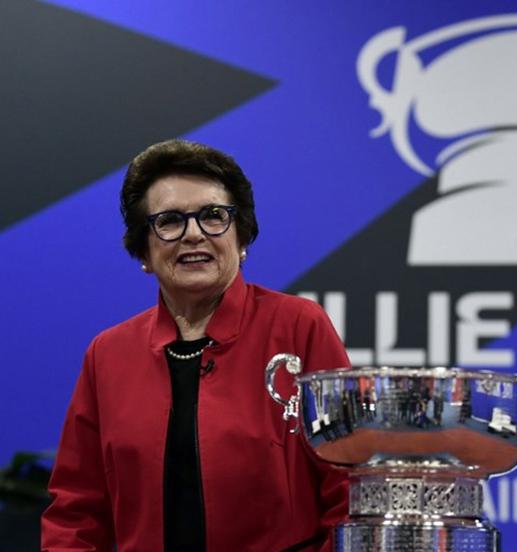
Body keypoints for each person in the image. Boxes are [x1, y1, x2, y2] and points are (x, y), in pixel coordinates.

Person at [41, 139, 350, 551]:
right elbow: (76, 511)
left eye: (213, 216)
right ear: (144, 250)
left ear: (241, 240)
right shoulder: (108, 354)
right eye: (169, 221)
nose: (193, 234)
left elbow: (347, 486)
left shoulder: (298, 326)